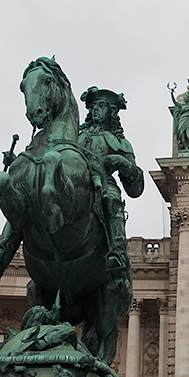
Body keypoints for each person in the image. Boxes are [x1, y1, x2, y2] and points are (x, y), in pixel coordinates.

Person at [78, 87, 144, 274]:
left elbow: (135, 188)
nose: (95, 110)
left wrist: (123, 162)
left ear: (111, 112)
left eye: (101, 105)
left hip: (104, 183)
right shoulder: (75, 136)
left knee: (113, 201)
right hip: (70, 180)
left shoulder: (120, 143)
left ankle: (117, 251)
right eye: (92, 106)